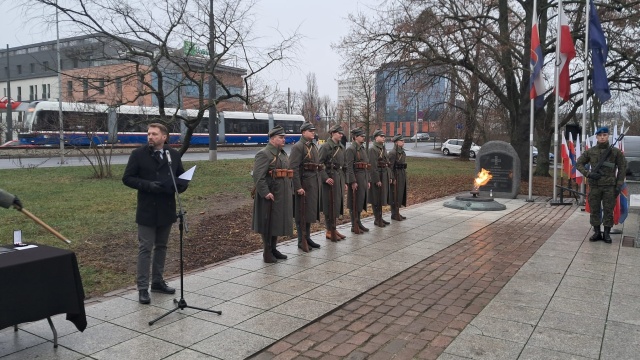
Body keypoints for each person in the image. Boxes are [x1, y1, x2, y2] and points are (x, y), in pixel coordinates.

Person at [122, 123, 187, 305]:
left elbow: (181, 175)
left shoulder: (172, 154)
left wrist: (182, 185)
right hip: (147, 209)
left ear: (164, 137)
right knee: (145, 248)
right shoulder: (138, 154)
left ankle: (157, 282)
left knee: (162, 246)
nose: (150, 137)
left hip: (166, 207)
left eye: (154, 134)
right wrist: (148, 185)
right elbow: (127, 178)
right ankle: (143, 288)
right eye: (148, 134)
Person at [576, 127, 627, 244]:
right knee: (595, 209)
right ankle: (597, 232)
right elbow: (579, 163)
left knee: (608, 210)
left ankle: (607, 234)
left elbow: (622, 168)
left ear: (608, 136)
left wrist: (619, 184)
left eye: (604, 135)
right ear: (596, 137)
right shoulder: (591, 151)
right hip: (595, 186)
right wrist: (588, 174)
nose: (602, 137)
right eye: (600, 135)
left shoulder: (615, 152)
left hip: (610, 186)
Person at [251, 125, 294, 263]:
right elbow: (258, 176)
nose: (284, 140)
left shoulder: (281, 153)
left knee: (275, 221)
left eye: (284, 137)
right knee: (267, 222)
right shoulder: (264, 153)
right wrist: (265, 193)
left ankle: (273, 248)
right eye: (281, 137)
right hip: (269, 194)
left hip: (280, 193)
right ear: (272, 138)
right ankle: (267, 251)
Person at [290, 122, 327, 251]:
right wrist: (297, 187)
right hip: (304, 184)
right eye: (310, 131)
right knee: (301, 213)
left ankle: (308, 237)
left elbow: (317, 165)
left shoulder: (314, 146)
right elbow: (293, 168)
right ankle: (301, 240)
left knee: (310, 211)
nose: (313, 133)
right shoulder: (298, 147)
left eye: (313, 131)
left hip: (313, 183)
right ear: (303, 132)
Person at [319, 124, 347, 241]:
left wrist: (344, 181)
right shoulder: (325, 147)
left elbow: (344, 166)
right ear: (332, 133)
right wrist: (325, 178)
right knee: (329, 204)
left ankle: (334, 228)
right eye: (339, 133)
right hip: (329, 178)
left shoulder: (341, 147)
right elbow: (319, 164)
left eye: (341, 133)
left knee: (336, 204)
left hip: (338, 177)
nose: (341, 135)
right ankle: (329, 230)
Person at [346, 128, 370, 233]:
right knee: (354, 202)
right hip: (356, 177)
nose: (363, 137)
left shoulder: (362, 148)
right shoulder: (351, 149)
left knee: (360, 201)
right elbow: (349, 166)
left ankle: (358, 222)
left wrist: (368, 179)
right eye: (361, 136)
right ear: (355, 137)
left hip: (363, 176)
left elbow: (366, 165)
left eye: (363, 135)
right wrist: (352, 181)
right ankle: (354, 224)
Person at [368, 129, 391, 227]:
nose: (383, 138)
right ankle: (377, 219)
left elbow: (387, 163)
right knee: (376, 198)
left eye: (384, 136)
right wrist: (377, 179)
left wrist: (389, 176)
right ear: (376, 137)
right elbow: (373, 166)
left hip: (384, 174)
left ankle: (380, 217)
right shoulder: (373, 149)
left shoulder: (382, 148)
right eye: (381, 136)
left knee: (381, 197)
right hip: (377, 175)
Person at [388, 134, 407, 221]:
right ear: (396, 142)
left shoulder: (402, 152)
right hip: (396, 174)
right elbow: (390, 167)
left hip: (402, 173)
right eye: (401, 141)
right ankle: (394, 213)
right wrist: (392, 177)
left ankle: (397, 212)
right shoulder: (392, 153)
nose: (403, 142)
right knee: (395, 194)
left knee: (400, 194)